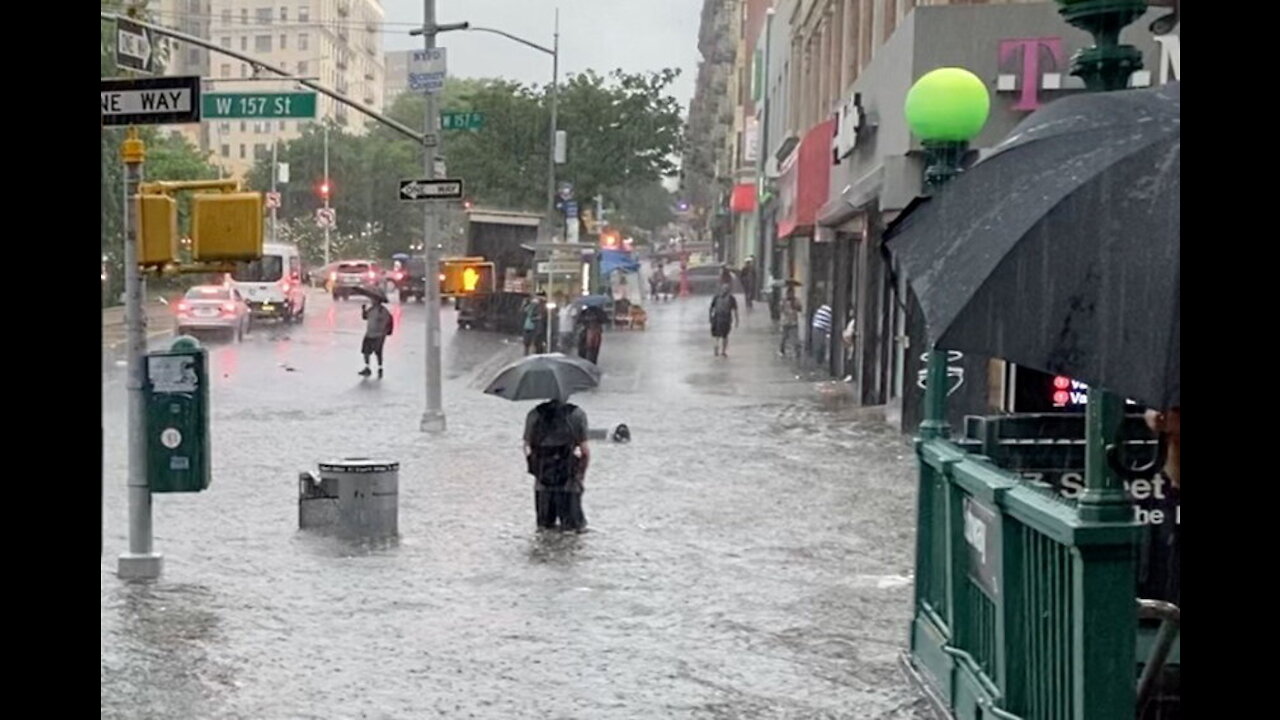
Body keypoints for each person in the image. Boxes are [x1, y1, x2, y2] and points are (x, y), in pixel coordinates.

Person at [524, 398, 591, 532]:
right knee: (574, 531)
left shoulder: (534, 414)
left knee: (544, 530)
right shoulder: (577, 414)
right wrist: (581, 475)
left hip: (542, 482)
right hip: (569, 482)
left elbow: (526, 447)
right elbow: (585, 452)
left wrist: (536, 470)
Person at [358, 296, 394, 378]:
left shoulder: (383, 311)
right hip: (369, 334)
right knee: (365, 352)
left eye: (373, 300)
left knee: (378, 352)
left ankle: (380, 367)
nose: (372, 301)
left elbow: (387, 320)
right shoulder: (371, 309)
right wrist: (363, 310)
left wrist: (382, 329)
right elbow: (365, 317)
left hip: (379, 335)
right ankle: (367, 367)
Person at [709, 283, 739, 357]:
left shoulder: (718, 297)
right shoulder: (730, 298)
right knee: (723, 336)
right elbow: (735, 310)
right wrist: (737, 321)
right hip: (722, 318)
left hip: (720, 318)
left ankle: (719, 349)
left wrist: (710, 317)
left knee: (719, 335)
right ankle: (721, 351)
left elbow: (711, 308)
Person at [778, 287, 802, 357]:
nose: (791, 295)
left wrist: (795, 306)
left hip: (794, 322)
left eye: (792, 293)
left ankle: (797, 352)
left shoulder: (796, 300)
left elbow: (800, 309)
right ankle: (782, 350)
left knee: (795, 338)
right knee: (784, 338)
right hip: (786, 322)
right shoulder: (784, 300)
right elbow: (780, 309)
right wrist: (784, 306)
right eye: (789, 293)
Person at [812, 303, 833, 367]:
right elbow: (829, 323)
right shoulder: (829, 312)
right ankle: (819, 361)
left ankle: (817, 361)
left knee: (817, 345)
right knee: (821, 345)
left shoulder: (820, 309)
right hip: (821, 329)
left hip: (816, 327)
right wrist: (829, 332)